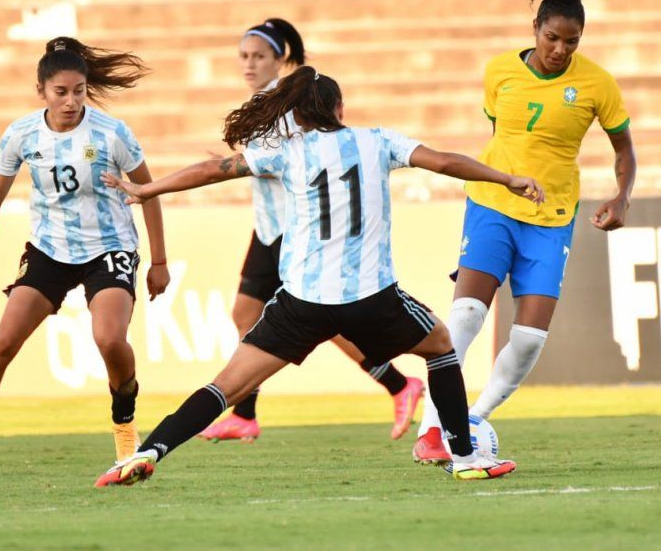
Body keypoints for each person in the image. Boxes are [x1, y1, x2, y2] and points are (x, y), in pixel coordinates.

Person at [94, 65, 544, 487]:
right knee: (441, 345)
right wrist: (506, 178)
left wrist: (147, 187)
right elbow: (445, 162)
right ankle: (465, 458)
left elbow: (215, 169)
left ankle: (149, 450)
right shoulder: (378, 140)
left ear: (299, 116)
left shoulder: (287, 151)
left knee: (227, 386)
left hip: (303, 302)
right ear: (339, 109)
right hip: (371, 298)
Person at [413, 0, 637, 464]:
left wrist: (621, 198)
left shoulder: (599, 85)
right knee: (467, 315)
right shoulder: (499, 72)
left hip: (553, 217)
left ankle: (471, 421)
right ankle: (431, 431)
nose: (561, 50)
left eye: (572, 41)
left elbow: (624, 150)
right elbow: (503, 135)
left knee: (530, 338)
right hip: (492, 203)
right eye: (553, 37)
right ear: (535, 29)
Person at [0, 37, 171, 472]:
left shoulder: (112, 133)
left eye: (79, 90)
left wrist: (159, 261)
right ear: (42, 92)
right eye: (61, 92)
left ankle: (125, 429)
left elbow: (148, 192)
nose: (71, 101)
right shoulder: (22, 134)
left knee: (109, 339)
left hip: (109, 247)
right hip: (49, 250)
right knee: (3, 342)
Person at [200, 18, 423, 444]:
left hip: (297, 227)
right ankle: (245, 415)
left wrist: (237, 166)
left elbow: (298, 160)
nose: (249, 65)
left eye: (258, 57)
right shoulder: (264, 103)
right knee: (245, 314)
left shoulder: (289, 105)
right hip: (267, 227)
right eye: (244, 56)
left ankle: (399, 385)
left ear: (280, 60)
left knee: (324, 318)